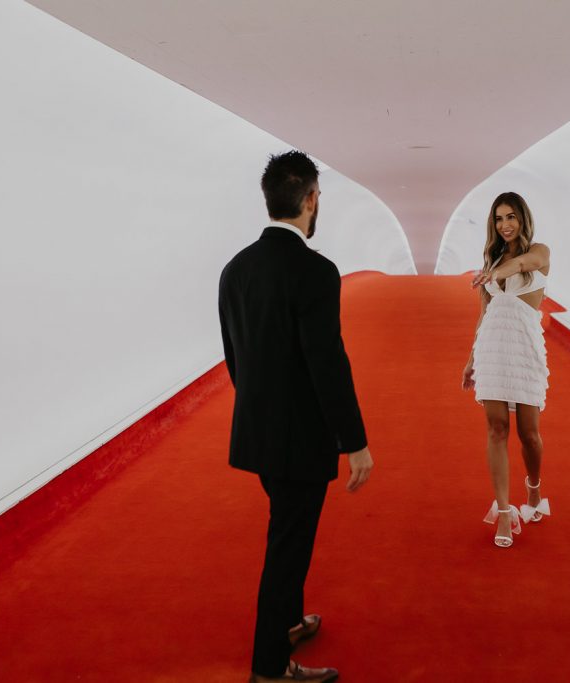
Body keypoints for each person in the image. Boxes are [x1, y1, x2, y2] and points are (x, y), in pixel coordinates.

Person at [218, 150, 374, 682]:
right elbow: (327, 362)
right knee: (288, 547)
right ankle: (268, 668)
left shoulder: (234, 269)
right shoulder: (317, 271)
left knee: (286, 528)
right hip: (300, 442)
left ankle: (288, 621)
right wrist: (354, 440)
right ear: (310, 200)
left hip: (257, 435)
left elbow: (234, 356)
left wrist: (261, 410)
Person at [462, 191, 552, 548]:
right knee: (497, 429)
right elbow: (484, 315)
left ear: (523, 219)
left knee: (529, 434)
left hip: (525, 350)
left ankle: (533, 491)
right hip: (493, 349)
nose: (505, 225)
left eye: (511, 217)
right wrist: (471, 359)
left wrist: (492, 273)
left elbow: (518, 266)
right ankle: (503, 511)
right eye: (499, 219)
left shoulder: (540, 253)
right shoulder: (491, 259)